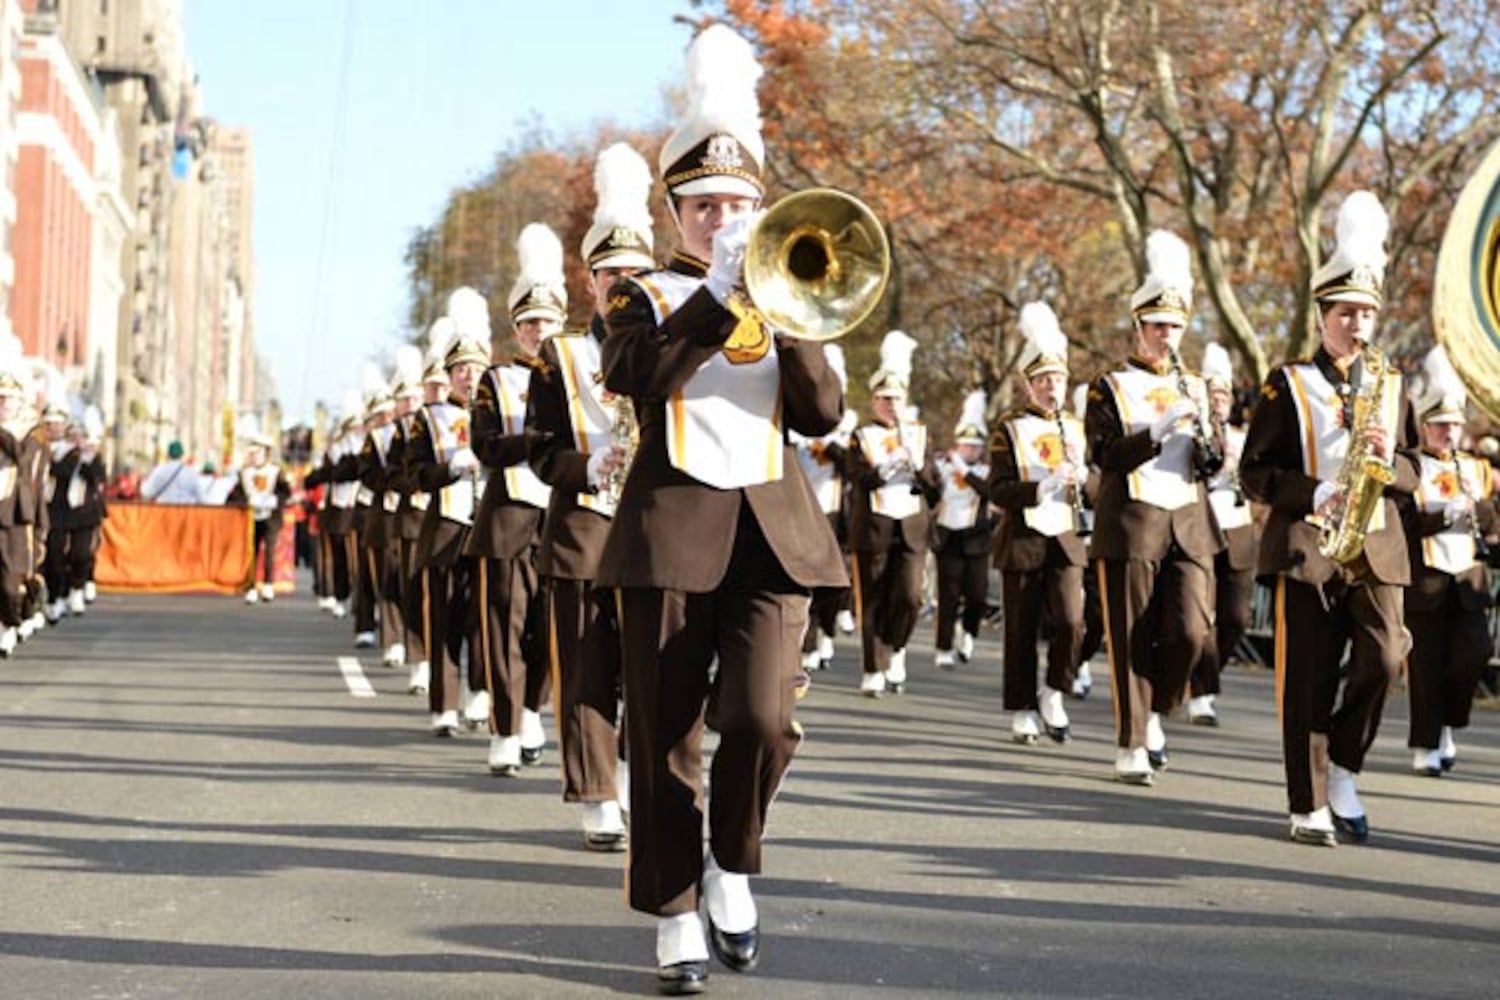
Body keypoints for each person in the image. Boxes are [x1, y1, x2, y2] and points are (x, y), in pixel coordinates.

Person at [594, 24, 848, 993]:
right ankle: (673, 911)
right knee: (663, 732)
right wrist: (715, 291)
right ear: (679, 211)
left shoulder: (791, 290)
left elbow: (820, 415)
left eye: (740, 204)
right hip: (670, 535)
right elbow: (639, 376)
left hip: (773, 534)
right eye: (706, 206)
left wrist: (791, 317)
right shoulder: (646, 296)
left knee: (765, 718)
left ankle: (733, 861)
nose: (724, 218)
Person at [1240, 190, 1417, 846]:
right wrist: (1313, 493)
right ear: (1323, 315)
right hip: (1309, 545)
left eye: (1367, 314)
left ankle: (1344, 764)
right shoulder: (1285, 384)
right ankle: (1307, 802)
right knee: (1307, 678)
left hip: (1376, 546)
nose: (1358, 326)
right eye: (1347, 314)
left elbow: (1418, 471)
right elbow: (1253, 473)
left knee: (1385, 659)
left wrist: (1388, 461)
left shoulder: (1394, 384)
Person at [526, 142, 653, 846]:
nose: (624, 286)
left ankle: (632, 767)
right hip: (582, 529)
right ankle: (596, 792)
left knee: (650, 665)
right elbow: (543, 453)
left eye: (638, 273)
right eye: (612, 276)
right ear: (592, 281)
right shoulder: (563, 355)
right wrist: (589, 461)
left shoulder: (674, 344)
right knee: (587, 667)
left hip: (655, 530)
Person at [1086, 230, 1224, 785]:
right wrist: (1156, 430)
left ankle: (1159, 708)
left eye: (1175, 326)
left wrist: (1213, 445)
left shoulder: (1194, 383)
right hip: (1133, 522)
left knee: (1193, 629)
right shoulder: (1109, 386)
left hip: (1189, 522)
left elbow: (1207, 465)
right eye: (1158, 325)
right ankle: (1132, 740)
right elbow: (1104, 455)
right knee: (1130, 634)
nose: (1167, 335)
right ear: (1139, 326)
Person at [467, 247, 556, 773]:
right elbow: (487, 446)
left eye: (545, 320)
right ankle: (504, 728)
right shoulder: (496, 381)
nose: (537, 330)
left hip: (566, 514)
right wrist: (536, 441)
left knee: (553, 626)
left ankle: (530, 707)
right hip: (508, 515)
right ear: (516, 329)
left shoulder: (583, 375)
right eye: (528, 323)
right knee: (503, 625)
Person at [984, 302, 1087, 745]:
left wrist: (1086, 477)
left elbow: (1100, 486)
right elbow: (998, 489)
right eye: (1043, 380)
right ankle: (1023, 707)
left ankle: (1055, 690)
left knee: (1071, 622)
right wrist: (1041, 487)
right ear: (1028, 385)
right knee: (1021, 629)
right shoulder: (1009, 428)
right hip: (1024, 536)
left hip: (1066, 538)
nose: (1051, 387)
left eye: (1058, 379)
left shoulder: (1077, 428)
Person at [1399, 345, 1494, 776]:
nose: (1447, 433)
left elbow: (1493, 518)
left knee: (1472, 657)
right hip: (1427, 579)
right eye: (1439, 425)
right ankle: (1425, 744)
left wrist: (1477, 507)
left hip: (1468, 579)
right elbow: (1402, 522)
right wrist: (1444, 515)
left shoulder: (1477, 468)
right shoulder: (1411, 466)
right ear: (1423, 426)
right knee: (1425, 668)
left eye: (1453, 425)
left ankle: (1447, 727)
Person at [409, 297, 488, 737]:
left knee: (486, 616)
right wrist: (450, 469)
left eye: (476, 367)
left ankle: (482, 689)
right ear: (450, 375)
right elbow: (415, 473)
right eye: (461, 369)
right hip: (445, 528)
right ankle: (444, 705)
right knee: (445, 619)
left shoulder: (502, 408)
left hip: (490, 528)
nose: (469, 376)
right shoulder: (429, 420)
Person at [847, 331, 943, 697]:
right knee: (870, 598)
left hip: (913, 528)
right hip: (874, 528)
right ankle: (872, 667)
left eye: (897, 399)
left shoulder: (919, 435)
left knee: (909, 596)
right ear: (874, 401)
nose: (891, 405)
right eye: (885, 399)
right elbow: (857, 478)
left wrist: (917, 465)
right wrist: (888, 464)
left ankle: (897, 646)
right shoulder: (862, 436)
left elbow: (935, 487)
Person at [1188, 343, 1255, 726]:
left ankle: (1207, 676)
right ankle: (1201, 692)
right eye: (1212, 396)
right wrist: (1215, 468)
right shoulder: (1193, 436)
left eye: (1224, 396)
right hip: (1201, 529)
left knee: (1236, 617)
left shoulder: (1244, 438)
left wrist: (1239, 467)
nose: (1219, 403)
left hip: (1238, 532)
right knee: (1203, 617)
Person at [932, 391, 995, 670]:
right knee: (948, 596)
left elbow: (990, 492)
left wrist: (965, 472)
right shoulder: (943, 468)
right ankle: (943, 647)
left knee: (977, 595)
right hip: (948, 537)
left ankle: (969, 632)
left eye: (974, 446)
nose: (969, 451)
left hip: (976, 539)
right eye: (964, 446)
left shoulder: (985, 472)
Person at [226, 426, 290, 604]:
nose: (254, 457)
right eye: (252, 453)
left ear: (266, 453)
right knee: (251, 551)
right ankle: (251, 586)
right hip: (251, 517)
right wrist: (245, 501)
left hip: (271, 517)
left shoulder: (276, 471)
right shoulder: (244, 472)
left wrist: (275, 500)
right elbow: (234, 495)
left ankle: (268, 584)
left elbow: (286, 492)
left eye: (258, 453)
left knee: (269, 551)